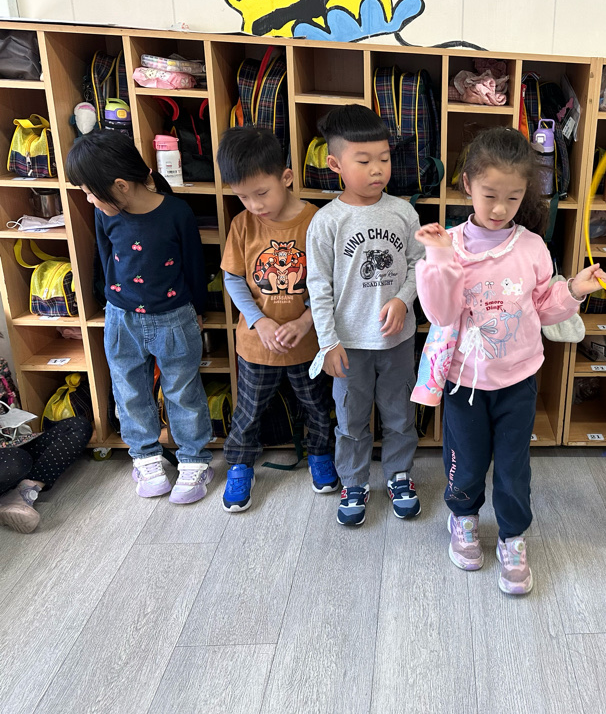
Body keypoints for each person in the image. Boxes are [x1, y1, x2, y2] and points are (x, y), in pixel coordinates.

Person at [415, 126, 606, 595]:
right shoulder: (448, 243)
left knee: (514, 466)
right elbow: (440, 314)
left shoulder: (532, 246)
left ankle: (512, 537)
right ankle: (463, 519)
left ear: (526, 195)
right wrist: (439, 258)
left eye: (513, 198)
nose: (500, 208)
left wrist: (574, 289)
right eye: (490, 195)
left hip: (518, 380)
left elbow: (544, 308)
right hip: (464, 381)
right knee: (465, 460)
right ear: (467, 185)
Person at [66, 131, 214, 504]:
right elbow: (104, 258)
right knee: (129, 390)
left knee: (183, 390)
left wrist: (198, 309)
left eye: (90, 192)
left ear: (120, 185)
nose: (88, 199)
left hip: (175, 317)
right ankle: (146, 458)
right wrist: (110, 301)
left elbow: (195, 265)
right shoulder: (106, 213)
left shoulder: (176, 213)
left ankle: (194, 460)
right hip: (122, 318)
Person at [306, 105, 425, 526]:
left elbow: (419, 263)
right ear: (335, 164)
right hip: (348, 345)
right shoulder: (327, 221)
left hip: (397, 341)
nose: (377, 169)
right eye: (364, 161)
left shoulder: (403, 212)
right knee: (351, 419)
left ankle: (399, 475)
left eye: (384, 159)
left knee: (400, 415)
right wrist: (328, 343)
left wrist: (403, 300)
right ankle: (354, 481)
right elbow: (318, 287)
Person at [217, 127, 337, 512]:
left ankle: (321, 455)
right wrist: (259, 321)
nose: (254, 205)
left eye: (261, 193)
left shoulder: (316, 221)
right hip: (258, 346)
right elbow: (233, 278)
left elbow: (331, 282)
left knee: (317, 407)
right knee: (248, 411)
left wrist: (306, 321)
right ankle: (240, 465)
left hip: (308, 343)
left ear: (286, 177)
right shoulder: (242, 225)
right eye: (242, 196)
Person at [0, 416, 92, 533]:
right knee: (16, 461)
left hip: (15, 443)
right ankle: (7, 500)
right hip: (11, 458)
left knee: (78, 426)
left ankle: (24, 493)